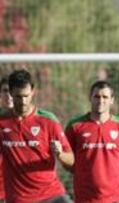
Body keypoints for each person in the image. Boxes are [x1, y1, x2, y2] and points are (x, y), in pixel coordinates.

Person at [0, 69, 74, 203]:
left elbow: (71, 160)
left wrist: (60, 154)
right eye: (18, 96)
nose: (23, 101)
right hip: (19, 199)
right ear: (11, 93)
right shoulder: (2, 121)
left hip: (52, 196)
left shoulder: (48, 121)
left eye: (26, 96)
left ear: (33, 91)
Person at [65, 80, 119, 203]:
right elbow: (67, 160)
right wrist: (84, 175)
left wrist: (112, 179)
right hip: (85, 197)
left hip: (116, 198)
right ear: (90, 98)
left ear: (112, 100)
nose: (101, 101)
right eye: (96, 96)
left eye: (105, 97)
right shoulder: (75, 126)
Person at [0, 76, 13, 202]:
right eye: (5, 90)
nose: (9, 95)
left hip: (22, 192)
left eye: (12, 91)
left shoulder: (35, 120)